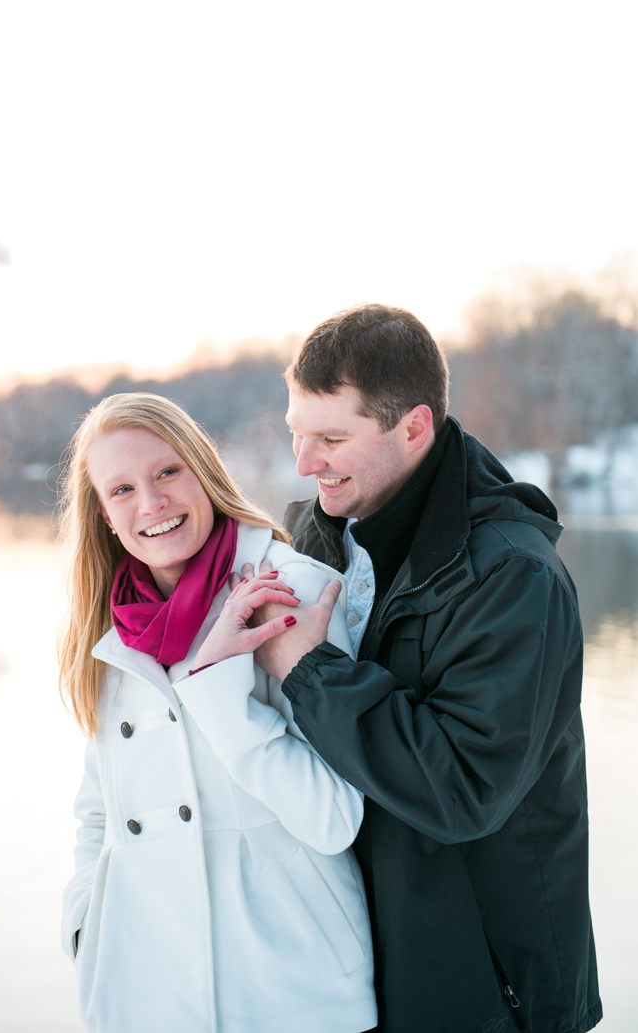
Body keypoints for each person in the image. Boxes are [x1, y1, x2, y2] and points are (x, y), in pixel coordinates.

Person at [252, 304, 602, 1033]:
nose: (303, 461)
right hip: (352, 981)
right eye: (296, 433)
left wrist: (310, 672)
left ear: (413, 427)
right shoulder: (312, 539)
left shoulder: (512, 576)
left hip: (489, 997)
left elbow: (464, 787)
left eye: (331, 438)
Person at [58, 392, 377, 1033]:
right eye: (121, 489)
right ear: (103, 513)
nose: (150, 505)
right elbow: (100, 809)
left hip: (287, 990)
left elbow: (334, 818)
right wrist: (85, 926)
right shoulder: (113, 621)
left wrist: (214, 687)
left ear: (203, 470)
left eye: (167, 472)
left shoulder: (290, 592)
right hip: (142, 991)